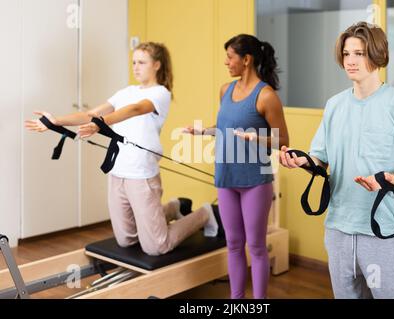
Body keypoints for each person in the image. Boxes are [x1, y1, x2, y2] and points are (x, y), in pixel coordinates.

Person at [280, 22, 394, 299]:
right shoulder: (334, 105)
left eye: (359, 53)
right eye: (346, 54)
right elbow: (320, 161)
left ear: (377, 55)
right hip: (338, 229)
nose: (351, 61)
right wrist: (302, 162)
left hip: (383, 231)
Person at [25, 42, 219, 256]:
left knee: (156, 247)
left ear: (156, 65)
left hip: (142, 174)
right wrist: (55, 121)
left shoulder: (160, 93)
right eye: (134, 62)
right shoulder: (126, 91)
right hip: (117, 172)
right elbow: (91, 114)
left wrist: (102, 122)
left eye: (142, 62)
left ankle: (204, 214)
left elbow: (136, 109)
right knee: (127, 239)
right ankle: (173, 207)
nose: (136, 67)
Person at [185, 34, 289, 299]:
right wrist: (204, 131)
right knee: (232, 244)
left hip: (255, 180)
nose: (226, 62)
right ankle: (236, 300)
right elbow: (225, 128)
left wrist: (257, 138)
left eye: (230, 57)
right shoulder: (225, 90)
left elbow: (284, 140)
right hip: (226, 177)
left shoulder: (266, 96)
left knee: (255, 246)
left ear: (246, 59)